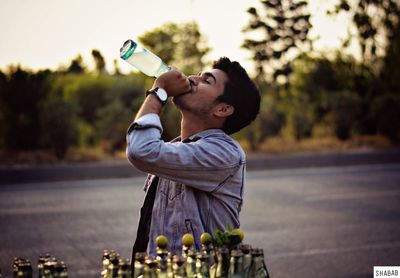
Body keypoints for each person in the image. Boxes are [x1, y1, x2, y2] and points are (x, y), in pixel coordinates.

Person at [126, 57, 260, 257]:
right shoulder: (174, 149)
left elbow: (141, 150)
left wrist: (159, 90)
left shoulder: (224, 154)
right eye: (197, 75)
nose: (191, 79)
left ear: (222, 109)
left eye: (206, 81)